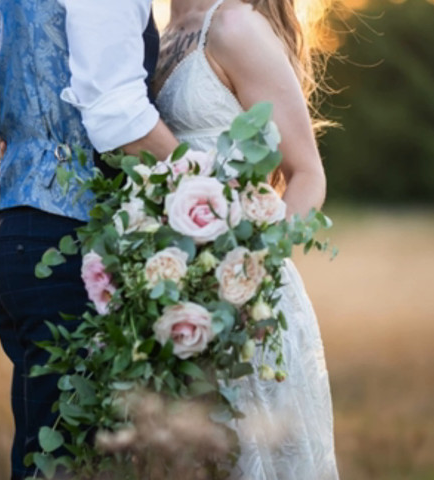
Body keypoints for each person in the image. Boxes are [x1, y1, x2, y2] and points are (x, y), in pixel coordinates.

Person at [0, 1, 179, 478]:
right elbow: (118, 114)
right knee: (71, 460)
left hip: (15, 236)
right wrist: (206, 181)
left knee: (48, 451)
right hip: (68, 243)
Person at [153, 0, 339, 478]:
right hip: (171, 290)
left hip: (242, 303)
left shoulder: (234, 25)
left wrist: (248, 275)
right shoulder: (159, 30)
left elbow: (306, 174)